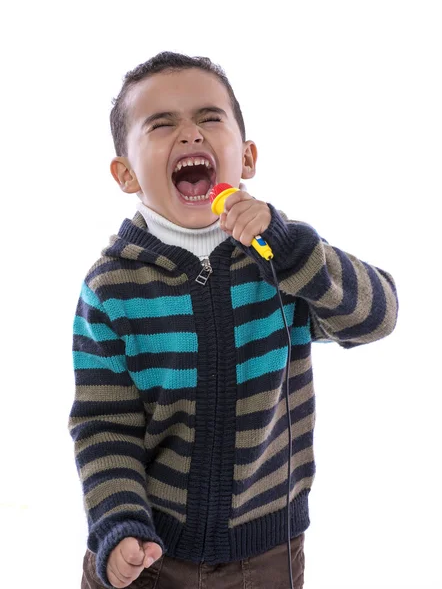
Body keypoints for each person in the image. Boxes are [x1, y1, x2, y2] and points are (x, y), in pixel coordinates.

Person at [68, 51, 399, 589]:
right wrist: (117, 526)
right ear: (126, 173)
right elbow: (104, 427)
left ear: (245, 157)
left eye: (209, 117)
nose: (190, 134)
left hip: (266, 555)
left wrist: (290, 249)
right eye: (162, 124)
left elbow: (378, 315)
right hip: (149, 552)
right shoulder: (112, 289)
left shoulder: (281, 258)